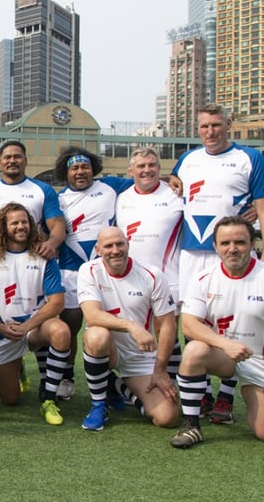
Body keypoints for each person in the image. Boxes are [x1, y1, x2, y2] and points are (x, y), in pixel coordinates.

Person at [172, 103, 264, 422]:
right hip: (192, 254)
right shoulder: (187, 159)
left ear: (228, 124)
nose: (210, 131)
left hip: (235, 255)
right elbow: (176, 190)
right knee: (194, 322)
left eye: (216, 125)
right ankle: (201, 391)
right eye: (204, 126)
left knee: (237, 322)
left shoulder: (249, 158)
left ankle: (226, 398)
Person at [169, 216, 264, 449]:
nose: (232, 249)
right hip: (224, 355)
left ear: (252, 244)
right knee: (193, 350)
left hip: (263, 360)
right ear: (215, 246)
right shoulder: (203, 279)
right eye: (225, 243)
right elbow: (189, 325)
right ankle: (191, 425)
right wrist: (225, 344)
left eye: (240, 242)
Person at [0, 140, 65, 398]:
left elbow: (57, 226)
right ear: (0, 162)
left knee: (56, 324)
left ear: (25, 160)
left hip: (33, 262)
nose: (12, 160)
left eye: (17, 156)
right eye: (7, 157)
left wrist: (51, 244)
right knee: (10, 399)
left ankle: (50, 391)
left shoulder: (42, 190)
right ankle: (3, 370)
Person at [77, 227, 179, 431]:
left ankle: (119, 387)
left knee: (167, 417)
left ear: (127, 245)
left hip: (139, 356)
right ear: (98, 249)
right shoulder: (88, 270)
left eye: (119, 244)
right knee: (97, 335)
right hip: (108, 349)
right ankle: (99, 405)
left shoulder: (152, 275)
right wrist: (132, 326)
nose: (115, 250)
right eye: (108, 246)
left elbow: (168, 324)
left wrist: (160, 370)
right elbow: (92, 315)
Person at [54, 146, 132, 400]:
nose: (80, 172)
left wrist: (172, 179)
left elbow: (145, 182)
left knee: (106, 326)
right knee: (71, 324)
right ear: (65, 172)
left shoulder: (111, 185)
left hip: (105, 270)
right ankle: (67, 376)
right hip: (70, 270)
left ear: (94, 168)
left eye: (85, 167)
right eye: (74, 168)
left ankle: (109, 379)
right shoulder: (58, 198)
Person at [0, 203, 71, 425]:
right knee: (10, 399)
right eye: (14, 222)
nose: (21, 226)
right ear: (4, 226)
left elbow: (57, 303)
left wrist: (27, 326)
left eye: (24, 221)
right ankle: (18, 366)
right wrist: (0, 327)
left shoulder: (44, 256)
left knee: (61, 331)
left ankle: (48, 398)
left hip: (33, 329)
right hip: (4, 332)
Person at [114, 147, 184, 379]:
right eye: (141, 166)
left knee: (167, 334)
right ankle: (129, 383)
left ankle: (170, 382)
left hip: (168, 279)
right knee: (132, 334)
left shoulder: (176, 193)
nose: (147, 170)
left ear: (159, 168)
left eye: (152, 165)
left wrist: (247, 209)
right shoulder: (122, 198)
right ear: (130, 170)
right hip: (130, 279)